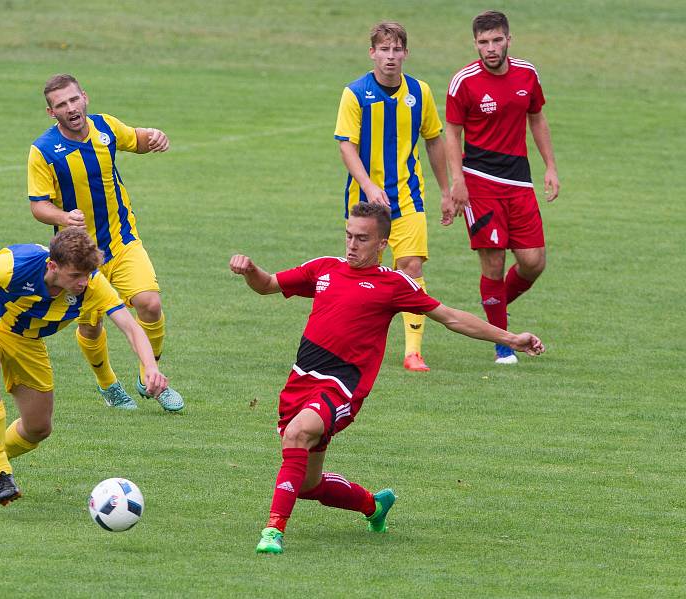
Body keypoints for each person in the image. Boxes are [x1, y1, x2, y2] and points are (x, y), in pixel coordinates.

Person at [229, 203, 545, 554]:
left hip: (342, 387)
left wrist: (510, 338)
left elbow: (451, 318)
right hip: (301, 380)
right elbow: (268, 285)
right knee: (307, 484)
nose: (351, 245)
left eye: (362, 239)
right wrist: (251, 270)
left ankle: (273, 531)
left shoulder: (393, 284)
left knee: (298, 433)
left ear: (382, 244)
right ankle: (373, 506)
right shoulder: (324, 269)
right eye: (349, 236)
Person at [0, 229, 171, 505]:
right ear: (52, 266)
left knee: (38, 428)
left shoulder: (92, 284)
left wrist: (150, 366)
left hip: (28, 343)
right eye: (75, 276)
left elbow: (130, 327)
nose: (82, 282)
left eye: (87, 274)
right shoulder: (14, 265)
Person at [27, 73, 183, 411]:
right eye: (61, 105)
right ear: (51, 113)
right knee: (91, 324)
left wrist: (154, 136)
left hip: (122, 241)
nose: (70, 108)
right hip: (78, 257)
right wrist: (63, 218)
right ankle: (108, 385)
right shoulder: (43, 150)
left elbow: (136, 139)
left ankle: (148, 374)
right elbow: (38, 205)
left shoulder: (106, 128)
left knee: (150, 304)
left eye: (73, 100)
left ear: (85, 97)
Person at [443, 10, 560, 364]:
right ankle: (503, 344)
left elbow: (536, 117)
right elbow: (451, 131)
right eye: (483, 42)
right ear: (475, 43)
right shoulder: (463, 81)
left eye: (496, 40)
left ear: (509, 39)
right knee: (492, 266)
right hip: (480, 183)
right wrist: (457, 181)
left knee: (533, 262)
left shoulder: (528, 73)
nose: (490, 48)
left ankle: (491, 310)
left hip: (519, 180)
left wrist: (550, 167)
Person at [334, 21, 450, 373]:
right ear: (372, 53)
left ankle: (413, 352)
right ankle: (347, 343)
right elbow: (346, 146)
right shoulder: (354, 93)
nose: (390, 56)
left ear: (405, 53)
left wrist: (446, 191)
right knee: (359, 274)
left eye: (396, 49)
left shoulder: (420, 92)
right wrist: (369, 185)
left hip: (408, 199)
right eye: (383, 49)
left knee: (411, 269)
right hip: (365, 202)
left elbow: (433, 140)